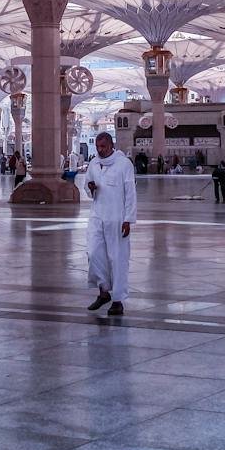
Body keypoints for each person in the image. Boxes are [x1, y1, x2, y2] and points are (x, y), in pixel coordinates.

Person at [84, 132, 136, 316]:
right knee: (94, 252)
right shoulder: (94, 163)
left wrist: (128, 219)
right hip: (98, 216)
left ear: (111, 145)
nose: (100, 150)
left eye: (103, 146)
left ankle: (118, 300)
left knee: (117, 258)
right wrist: (90, 188)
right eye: (98, 147)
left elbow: (130, 193)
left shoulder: (124, 164)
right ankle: (103, 291)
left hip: (117, 218)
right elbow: (87, 185)